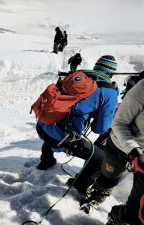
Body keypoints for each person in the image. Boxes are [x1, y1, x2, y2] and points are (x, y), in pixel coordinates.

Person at [36, 55, 119, 196]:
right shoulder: (109, 92)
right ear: (111, 74)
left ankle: (46, 161)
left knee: (54, 129)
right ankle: (79, 186)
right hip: (61, 138)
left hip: (42, 124)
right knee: (99, 158)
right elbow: (100, 129)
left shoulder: (75, 77)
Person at [80, 77, 144, 225]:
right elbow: (119, 123)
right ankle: (97, 197)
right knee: (109, 176)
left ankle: (122, 218)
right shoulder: (142, 88)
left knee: (137, 210)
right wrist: (133, 149)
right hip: (121, 146)